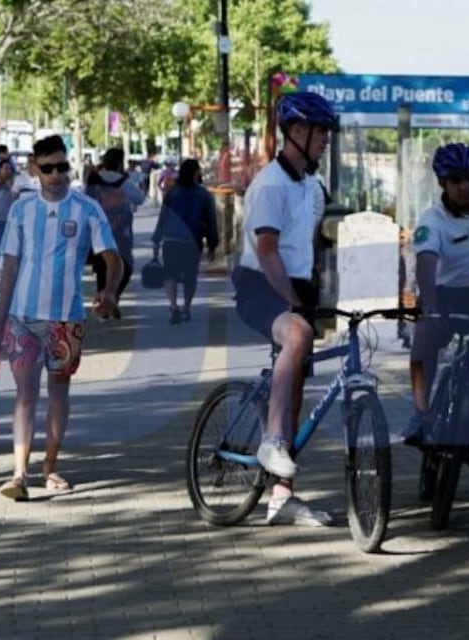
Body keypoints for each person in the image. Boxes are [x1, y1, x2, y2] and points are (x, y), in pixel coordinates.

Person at [0, 134, 120, 501]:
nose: (57, 174)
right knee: (25, 394)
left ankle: (50, 465)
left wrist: (109, 292)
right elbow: (10, 266)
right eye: (48, 168)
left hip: (66, 320)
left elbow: (112, 256)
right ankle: (19, 473)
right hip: (23, 318)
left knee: (58, 392)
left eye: (62, 166)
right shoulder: (21, 210)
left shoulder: (87, 208)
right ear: (34, 170)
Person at [232, 92, 338, 526]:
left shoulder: (311, 187)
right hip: (260, 283)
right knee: (296, 333)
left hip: (295, 284)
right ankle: (272, 439)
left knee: (295, 387)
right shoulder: (270, 185)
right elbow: (268, 250)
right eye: (320, 133)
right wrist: (293, 304)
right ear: (296, 133)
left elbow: (311, 243)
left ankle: (282, 498)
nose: (326, 141)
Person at [401, 143, 469, 464]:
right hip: (447, 294)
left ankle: (468, 422)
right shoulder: (432, 219)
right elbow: (426, 262)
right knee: (425, 338)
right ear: (443, 183)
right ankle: (420, 414)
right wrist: (430, 302)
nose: (465, 186)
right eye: (456, 180)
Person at [151, 158, 219, 324]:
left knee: (170, 274)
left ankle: (173, 305)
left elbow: (163, 217)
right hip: (192, 242)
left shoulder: (172, 193)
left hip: (171, 240)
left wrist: (157, 239)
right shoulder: (204, 195)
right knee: (190, 276)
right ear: (196, 173)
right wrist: (212, 245)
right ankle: (186, 308)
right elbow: (211, 221)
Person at [84, 147, 145, 318]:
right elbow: (139, 198)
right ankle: (112, 297)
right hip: (121, 232)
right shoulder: (123, 182)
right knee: (125, 266)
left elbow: (85, 200)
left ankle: (103, 296)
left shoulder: (93, 178)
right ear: (120, 162)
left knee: (102, 265)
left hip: (97, 230)